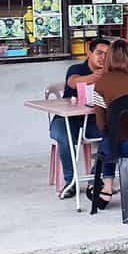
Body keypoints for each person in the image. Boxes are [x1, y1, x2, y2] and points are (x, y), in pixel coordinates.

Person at [89, 38, 128, 209]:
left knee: (109, 140)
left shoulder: (102, 84)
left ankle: (107, 187)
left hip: (122, 145)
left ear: (109, 57)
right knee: (112, 141)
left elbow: (101, 124)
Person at [48, 38, 108, 199]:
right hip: (67, 119)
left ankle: (97, 175)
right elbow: (73, 82)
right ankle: (71, 181)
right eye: (99, 53)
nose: (103, 58)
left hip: (93, 121)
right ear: (89, 53)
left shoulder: (111, 71)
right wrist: (96, 77)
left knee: (113, 132)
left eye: (107, 55)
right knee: (64, 136)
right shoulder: (76, 68)